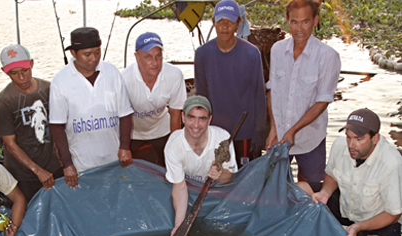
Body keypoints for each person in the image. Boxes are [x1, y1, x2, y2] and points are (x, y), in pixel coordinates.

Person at [299, 108, 402, 236]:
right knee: (298, 189)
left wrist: (359, 226)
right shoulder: (340, 145)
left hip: (375, 214)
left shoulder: (391, 162)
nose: (351, 145)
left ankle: (363, 235)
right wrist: (325, 192)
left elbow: (393, 213)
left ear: (375, 138)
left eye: (358, 139)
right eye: (348, 137)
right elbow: (331, 175)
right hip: (345, 202)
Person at [266, 0, 341, 184]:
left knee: (311, 187)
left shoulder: (328, 56)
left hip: (310, 138)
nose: (299, 28)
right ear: (287, 21)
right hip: (280, 135)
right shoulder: (277, 50)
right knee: (275, 186)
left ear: (315, 20)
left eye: (305, 21)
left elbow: (323, 101)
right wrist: (274, 128)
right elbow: (272, 91)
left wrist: (293, 130)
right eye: (294, 22)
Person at [50, 27, 134, 188]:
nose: (93, 59)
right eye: (87, 54)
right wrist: (67, 164)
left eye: (97, 52)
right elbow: (57, 126)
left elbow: (125, 114)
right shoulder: (60, 81)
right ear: (73, 53)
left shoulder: (111, 72)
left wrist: (124, 146)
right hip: (82, 164)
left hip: (114, 159)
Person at [194, 0, 266, 167]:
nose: (225, 26)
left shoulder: (251, 53)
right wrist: (201, 131)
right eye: (220, 21)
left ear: (239, 23)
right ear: (213, 22)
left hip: (245, 132)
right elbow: (201, 97)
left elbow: (259, 96)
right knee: (217, 178)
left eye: (230, 21)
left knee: (244, 181)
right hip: (215, 133)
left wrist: (259, 133)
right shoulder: (202, 54)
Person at [0, 44, 64, 202]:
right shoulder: (4, 101)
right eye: (14, 73)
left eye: (25, 70)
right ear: (5, 71)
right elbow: (9, 143)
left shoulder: (48, 89)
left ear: (31, 63)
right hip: (24, 174)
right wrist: (37, 171)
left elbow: (60, 126)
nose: (21, 78)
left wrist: (64, 160)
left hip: (53, 165)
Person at [165, 96, 238, 236]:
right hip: (188, 189)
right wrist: (179, 227)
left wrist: (220, 174)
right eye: (191, 117)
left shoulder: (222, 138)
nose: (196, 125)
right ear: (183, 117)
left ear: (209, 119)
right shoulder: (174, 143)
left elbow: (229, 177)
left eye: (202, 118)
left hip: (217, 192)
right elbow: (179, 186)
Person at [121, 32, 187, 167]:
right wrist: (124, 146)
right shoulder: (124, 79)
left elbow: (175, 115)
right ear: (137, 57)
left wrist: (175, 146)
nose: (155, 63)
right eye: (148, 57)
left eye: (158, 56)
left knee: (171, 167)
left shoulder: (174, 75)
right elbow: (120, 117)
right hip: (133, 133)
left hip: (162, 129)